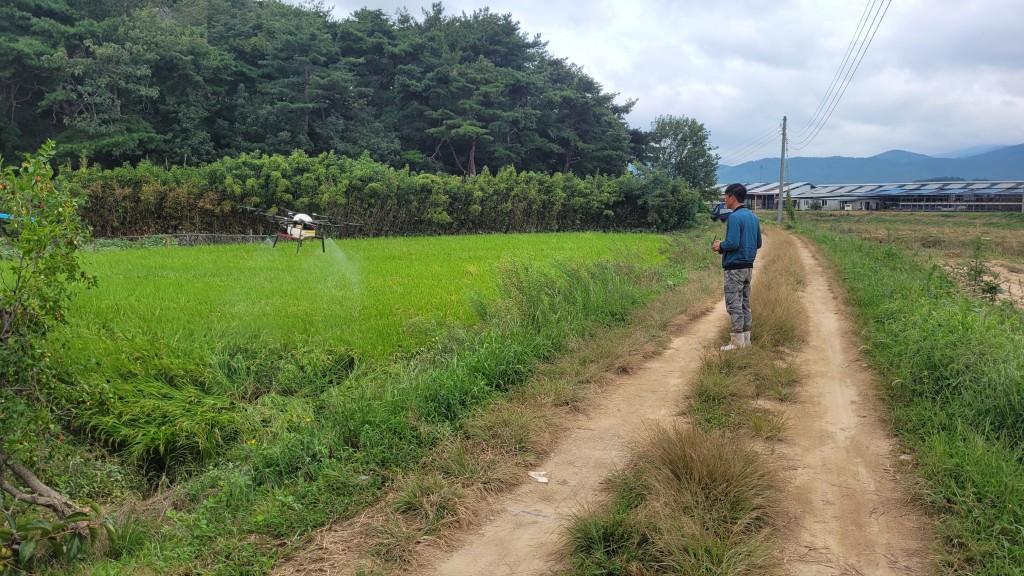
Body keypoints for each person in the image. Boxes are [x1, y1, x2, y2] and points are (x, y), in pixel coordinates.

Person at [711, 183, 762, 351]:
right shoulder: (753, 216)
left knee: (734, 304)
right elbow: (759, 243)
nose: (724, 200)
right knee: (745, 303)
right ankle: (746, 340)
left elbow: (732, 243)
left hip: (734, 268)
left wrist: (720, 245)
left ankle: (737, 342)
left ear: (732, 197)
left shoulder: (734, 217)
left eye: (725, 197)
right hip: (748, 267)